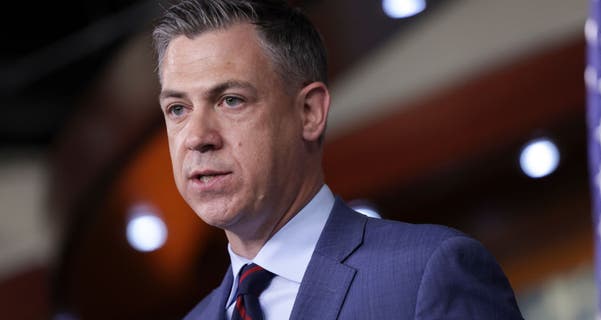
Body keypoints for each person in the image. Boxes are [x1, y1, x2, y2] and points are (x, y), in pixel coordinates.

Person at [153, 0, 523, 319]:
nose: (198, 137)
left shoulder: (429, 274)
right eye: (177, 109)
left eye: (231, 100)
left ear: (310, 112)